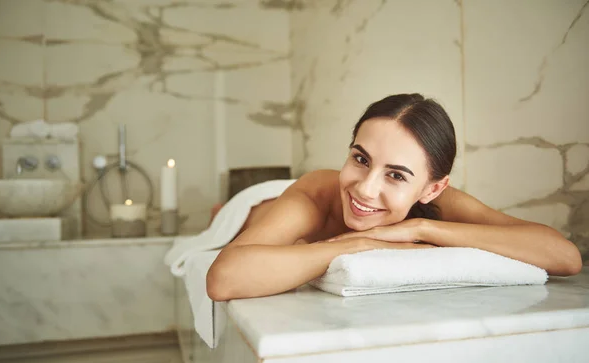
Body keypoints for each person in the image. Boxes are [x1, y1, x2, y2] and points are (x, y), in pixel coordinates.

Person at [206, 93, 582, 301]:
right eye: (360, 158)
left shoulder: (437, 205)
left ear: (432, 188)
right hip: (261, 204)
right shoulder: (316, 196)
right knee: (230, 214)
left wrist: (423, 228)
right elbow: (224, 278)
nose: (367, 187)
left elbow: (564, 257)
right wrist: (361, 244)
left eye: (396, 175)